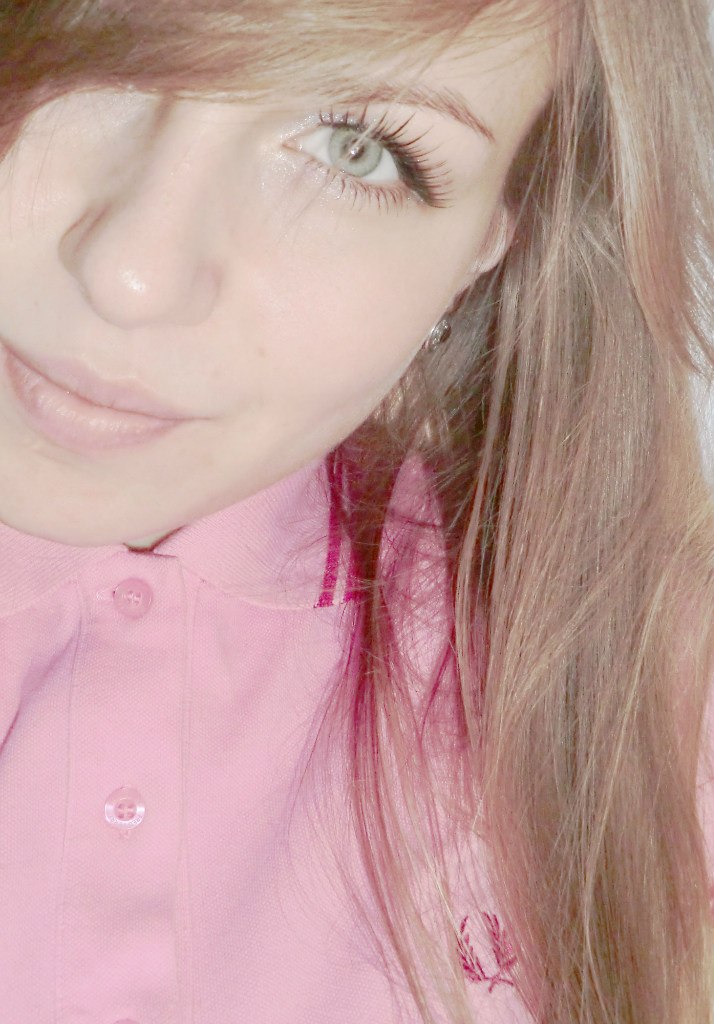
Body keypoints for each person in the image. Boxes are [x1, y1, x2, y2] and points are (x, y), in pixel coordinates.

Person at [0, 1, 712, 1022]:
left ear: (488, 242)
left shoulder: (646, 697)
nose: (133, 274)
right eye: (86, 42)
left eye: (356, 147)